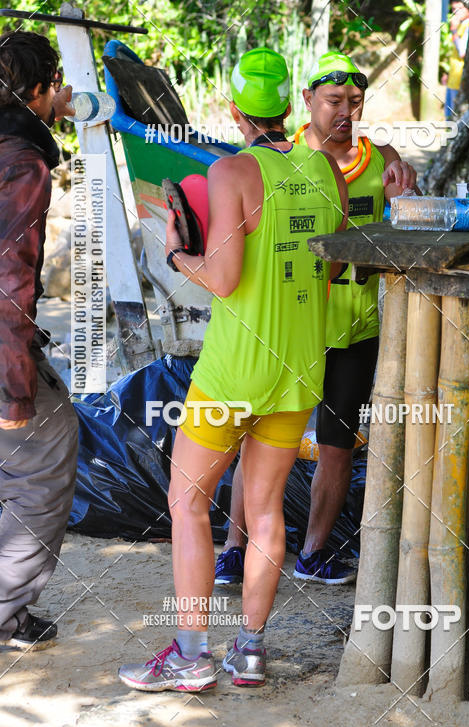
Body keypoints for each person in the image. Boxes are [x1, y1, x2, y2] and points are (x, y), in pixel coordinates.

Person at [118, 47, 348, 692]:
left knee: (188, 502)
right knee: (267, 507)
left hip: (233, 371)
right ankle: (248, 652)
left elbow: (222, 278)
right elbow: (326, 268)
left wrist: (175, 252)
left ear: (236, 109)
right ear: (292, 105)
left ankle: (190, 655)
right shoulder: (327, 170)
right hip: (299, 368)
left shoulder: (232, 170)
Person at [214, 51, 418, 587]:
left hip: (354, 327)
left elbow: (405, 243)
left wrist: (405, 201)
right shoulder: (283, 162)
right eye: (333, 101)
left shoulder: (385, 161)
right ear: (304, 101)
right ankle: (236, 547)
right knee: (256, 437)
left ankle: (314, 552)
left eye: (355, 101)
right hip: (295, 325)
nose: (345, 112)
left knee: (337, 444)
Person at [0, 30, 78, 650]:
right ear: (39, 90)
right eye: (55, 88)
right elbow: (9, 275)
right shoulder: (22, 161)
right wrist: (15, 389)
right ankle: (4, 611)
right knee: (47, 449)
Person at [444, 0, 469, 119]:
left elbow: (463, 52)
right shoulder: (462, 24)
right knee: (449, 116)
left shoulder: (468, 26)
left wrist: (454, 31)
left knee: (457, 118)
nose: (455, 12)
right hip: (453, 78)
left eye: (458, 9)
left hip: (461, 78)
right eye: (453, 9)